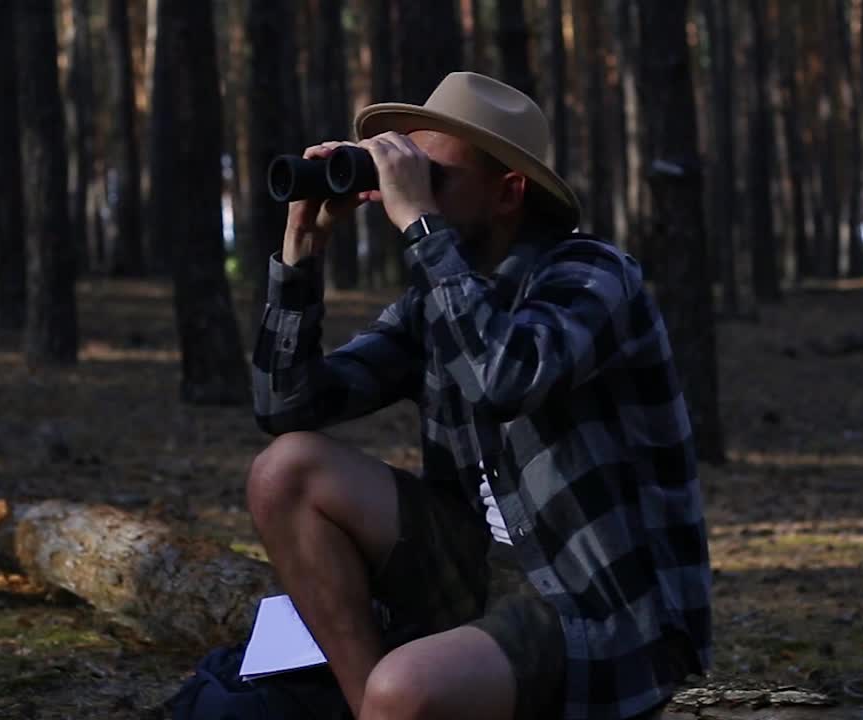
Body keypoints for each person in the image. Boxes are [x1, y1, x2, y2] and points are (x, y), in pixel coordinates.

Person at [247, 72, 711, 720]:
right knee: (284, 471)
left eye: (433, 176)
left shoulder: (595, 276)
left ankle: (390, 703)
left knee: (402, 689)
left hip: (595, 601)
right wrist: (301, 253)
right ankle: (371, 711)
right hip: (479, 569)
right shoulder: (438, 302)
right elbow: (285, 407)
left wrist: (421, 226)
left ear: (508, 193)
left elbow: (505, 378)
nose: (409, 192)